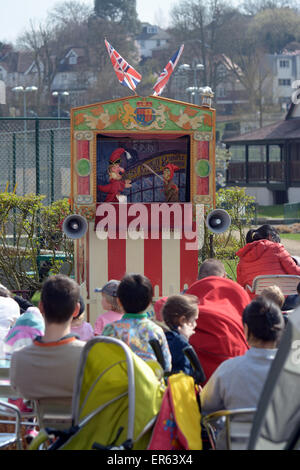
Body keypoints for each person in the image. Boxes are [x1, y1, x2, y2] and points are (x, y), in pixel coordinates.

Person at [201, 296, 285, 417]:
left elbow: (205, 405)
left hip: (236, 435)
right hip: (282, 435)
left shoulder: (228, 369)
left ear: (246, 329)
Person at [10, 274, 85, 399]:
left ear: (41, 307)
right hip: (80, 418)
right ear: (77, 310)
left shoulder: (19, 358)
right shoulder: (88, 355)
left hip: (39, 418)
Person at [186, 259, 250, 383]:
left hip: (197, 367)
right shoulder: (238, 292)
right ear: (224, 276)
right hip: (235, 359)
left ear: (198, 278)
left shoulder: (189, 296)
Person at [102, 273, 172, 371]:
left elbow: (103, 362)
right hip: (150, 384)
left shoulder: (110, 329)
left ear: (119, 301)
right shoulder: (156, 330)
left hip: (119, 384)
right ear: (149, 303)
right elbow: (167, 366)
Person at [236, 225, 300, 307]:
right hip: (283, 299)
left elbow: (241, 286)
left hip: (257, 304)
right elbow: (295, 272)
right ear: (270, 236)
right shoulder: (276, 248)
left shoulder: (243, 257)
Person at [161, 294, 199, 376]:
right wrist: (184, 338)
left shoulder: (164, 337)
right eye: (194, 320)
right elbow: (187, 370)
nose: (195, 325)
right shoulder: (180, 342)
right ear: (183, 320)